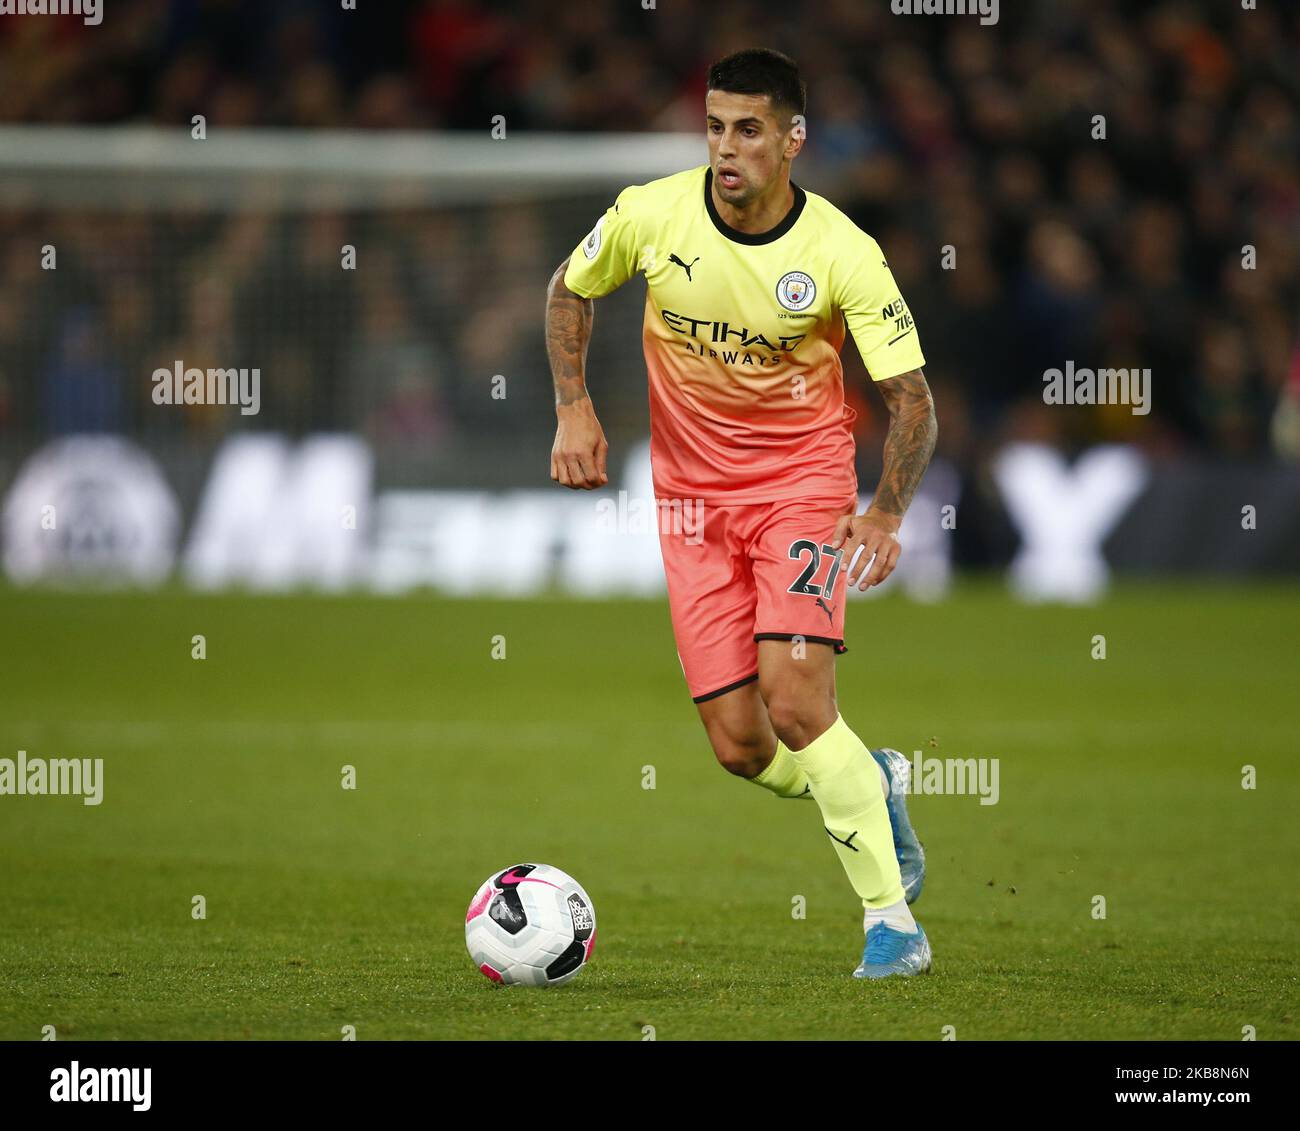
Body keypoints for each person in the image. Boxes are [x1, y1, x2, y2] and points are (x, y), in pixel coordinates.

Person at [544, 48, 937, 978]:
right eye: (716, 127)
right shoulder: (651, 215)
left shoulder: (842, 252)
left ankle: (893, 925)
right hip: (689, 508)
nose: (728, 148)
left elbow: (913, 401)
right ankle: (870, 782)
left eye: (750, 130)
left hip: (801, 493)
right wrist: (572, 404)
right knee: (741, 744)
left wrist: (882, 513)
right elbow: (569, 287)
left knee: (798, 701)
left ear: (794, 139)